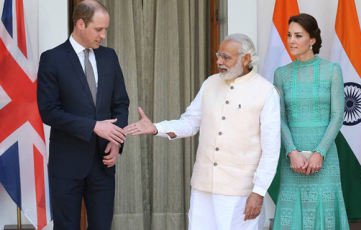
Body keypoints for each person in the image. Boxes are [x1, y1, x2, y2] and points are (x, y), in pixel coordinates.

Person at [125, 34, 281, 230]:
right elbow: (190, 122)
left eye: (226, 57)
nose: (219, 62)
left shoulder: (266, 92)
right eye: (218, 56)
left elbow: (271, 149)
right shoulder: (210, 83)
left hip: (240, 192)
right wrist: (157, 128)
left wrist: (258, 193)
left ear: (246, 59)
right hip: (203, 187)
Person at [37, 1, 129, 229]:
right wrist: (93, 126)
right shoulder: (52, 59)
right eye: (99, 29)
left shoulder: (110, 57)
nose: (104, 35)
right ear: (80, 24)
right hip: (67, 163)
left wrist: (117, 141)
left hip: (103, 163)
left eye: (105, 29)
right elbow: (49, 112)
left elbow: (121, 104)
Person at [272, 13, 349, 229]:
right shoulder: (281, 74)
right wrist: (292, 153)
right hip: (292, 158)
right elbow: (279, 118)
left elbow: (337, 116)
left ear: (312, 40)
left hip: (324, 158)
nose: (291, 41)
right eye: (289, 35)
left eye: (298, 35)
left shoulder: (332, 70)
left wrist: (319, 153)